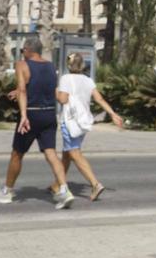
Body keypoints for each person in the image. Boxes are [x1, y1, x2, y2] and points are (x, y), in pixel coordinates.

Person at [0, 38, 75, 210]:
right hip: (49, 114)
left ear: (28, 50)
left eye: (22, 51)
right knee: (50, 152)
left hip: (32, 114)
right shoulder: (50, 66)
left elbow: (22, 89)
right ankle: (64, 190)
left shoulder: (22, 65)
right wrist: (20, 92)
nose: (22, 54)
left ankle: (7, 191)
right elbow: (43, 87)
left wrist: (24, 115)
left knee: (17, 154)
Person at [53, 52, 124, 201]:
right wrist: (112, 114)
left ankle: (95, 184)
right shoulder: (88, 80)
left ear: (68, 65)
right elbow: (99, 98)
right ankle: (58, 184)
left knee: (74, 152)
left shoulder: (65, 79)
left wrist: (55, 91)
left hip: (70, 121)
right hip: (83, 122)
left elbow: (63, 100)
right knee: (67, 153)